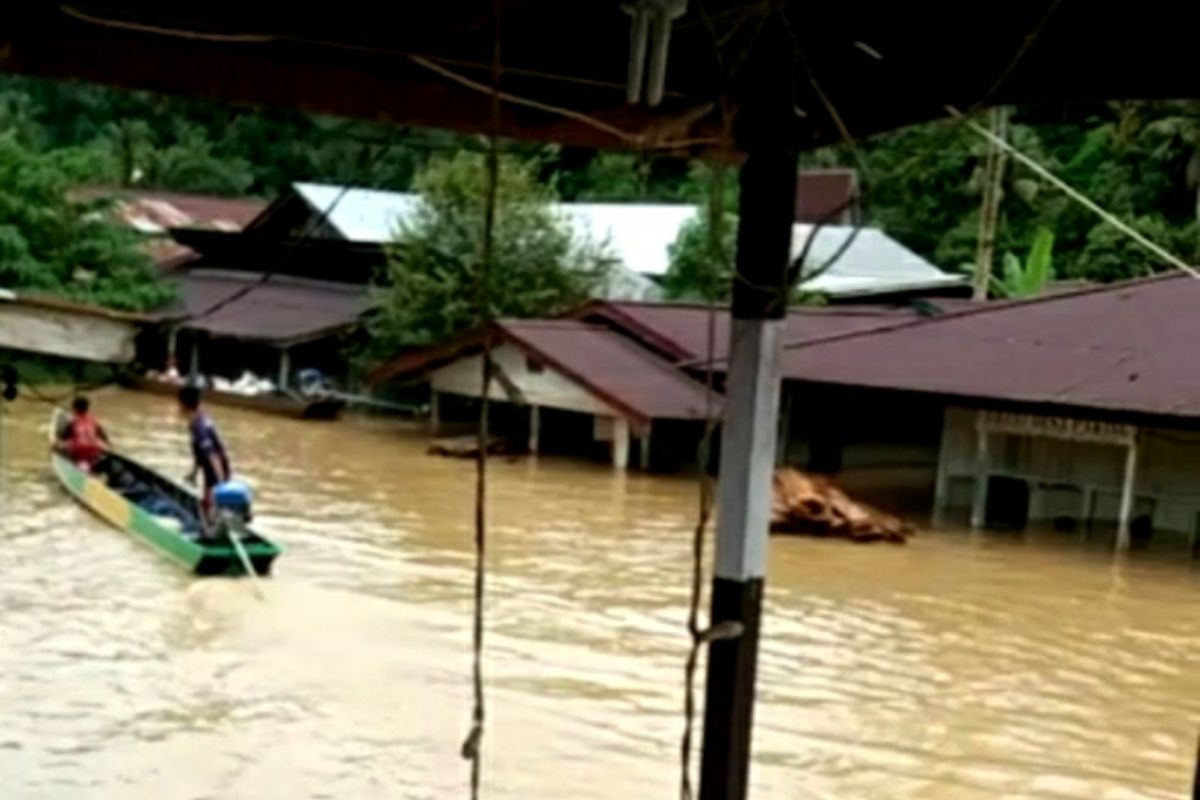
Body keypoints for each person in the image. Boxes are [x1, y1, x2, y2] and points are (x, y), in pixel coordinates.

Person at [178, 385, 231, 517]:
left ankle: (212, 529)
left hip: (216, 469)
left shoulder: (199, 427)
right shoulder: (197, 418)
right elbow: (199, 452)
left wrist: (220, 486)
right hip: (211, 468)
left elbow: (213, 456)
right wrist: (194, 473)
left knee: (211, 506)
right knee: (207, 504)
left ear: (184, 406)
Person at [56, 396, 110, 470]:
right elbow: (104, 437)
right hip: (94, 451)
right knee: (98, 445)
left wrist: (56, 444)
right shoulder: (94, 421)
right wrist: (108, 445)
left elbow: (63, 438)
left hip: (78, 452)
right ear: (87, 408)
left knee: (59, 445)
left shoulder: (72, 421)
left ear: (74, 408)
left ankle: (72, 464)